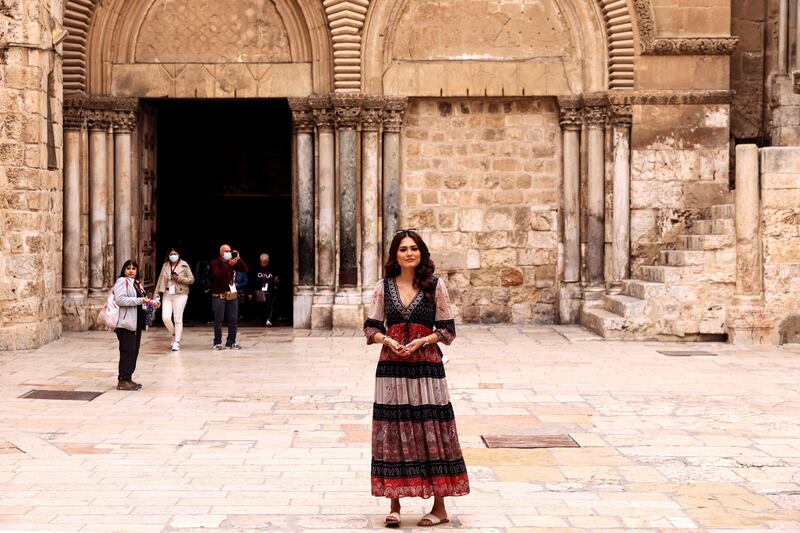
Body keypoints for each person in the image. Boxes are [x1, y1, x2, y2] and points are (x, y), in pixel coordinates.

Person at [363, 229, 469, 528]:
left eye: (414, 249)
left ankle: (440, 507)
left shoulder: (435, 286)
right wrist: (387, 341)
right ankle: (394, 502)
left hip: (427, 368)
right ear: (394, 255)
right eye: (403, 249)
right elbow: (370, 328)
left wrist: (423, 341)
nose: (409, 253)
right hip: (392, 368)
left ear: (421, 253)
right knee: (393, 429)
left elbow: (447, 330)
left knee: (431, 428)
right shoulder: (383, 287)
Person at [113, 260, 157, 391]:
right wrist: (140, 300)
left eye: (133, 268)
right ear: (123, 270)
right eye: (128, 268)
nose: (131, 271)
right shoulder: (122, 281)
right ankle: (122, 380)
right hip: (125, 323)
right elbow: (120, 299)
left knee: (134, 350)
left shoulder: (137, 284)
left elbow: (142, 300)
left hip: (136, 322)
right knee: (127, 351)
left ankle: (128, 378)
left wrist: (152, 303)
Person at [209, 244, 248, 350]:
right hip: (219, 296)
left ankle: (231, 342)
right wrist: (229, 265)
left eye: (229, 251)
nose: (228, 253)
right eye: (226, 251)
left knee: (233, 319)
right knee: (219, 320)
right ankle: (217, 342)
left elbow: (245, 269)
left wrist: (239, 259)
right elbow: (218, 276)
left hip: (232, 295)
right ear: (221, 252)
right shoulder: (214, 263)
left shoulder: (233, 262)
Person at [155, 247, 195, 351]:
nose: (173, 255)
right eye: (171, 254)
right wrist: (156, 295)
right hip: (167, 293)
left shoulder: (184, 265)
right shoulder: (165, 266)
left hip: (180, 294)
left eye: (175, 253)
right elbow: (160, 281)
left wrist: (179, 278)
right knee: (166, 317)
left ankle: (177, 341)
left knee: (177, 318)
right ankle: (174, 333)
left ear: (179, 254)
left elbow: (191, 280)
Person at [251, 253, 279, 326]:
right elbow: (253, 281)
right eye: (262, 262)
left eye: (265, 262)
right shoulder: (256, 269)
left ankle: (268, 320)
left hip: (270, 290)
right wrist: (251, 292)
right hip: (259, 291)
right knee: (261, 306)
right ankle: (263, 320)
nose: (264, 264)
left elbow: (276, 280)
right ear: (260, 261)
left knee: (269, 305)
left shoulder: (272, 270)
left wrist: (276, 281)